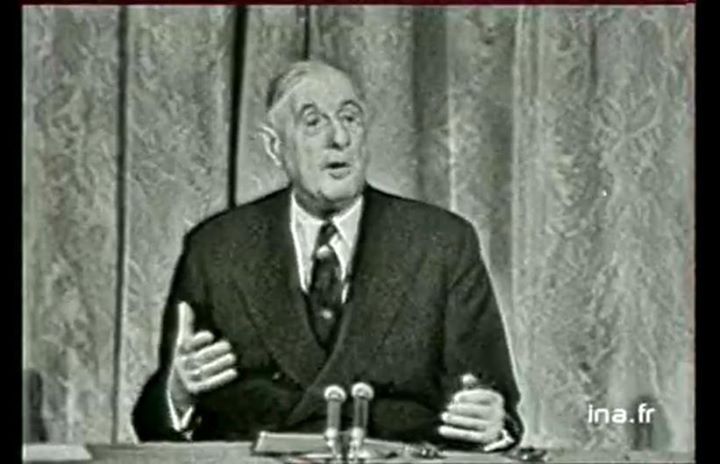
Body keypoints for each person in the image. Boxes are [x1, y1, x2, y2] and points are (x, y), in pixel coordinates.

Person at [132, 60, 523, 451]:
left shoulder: (441, 242)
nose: (339, 138)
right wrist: (178, 394)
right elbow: (155, 423)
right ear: (275, 147)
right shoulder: (217, 247)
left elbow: (493, 404)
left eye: (350, 118)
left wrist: (492, 424)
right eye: (313, 122)